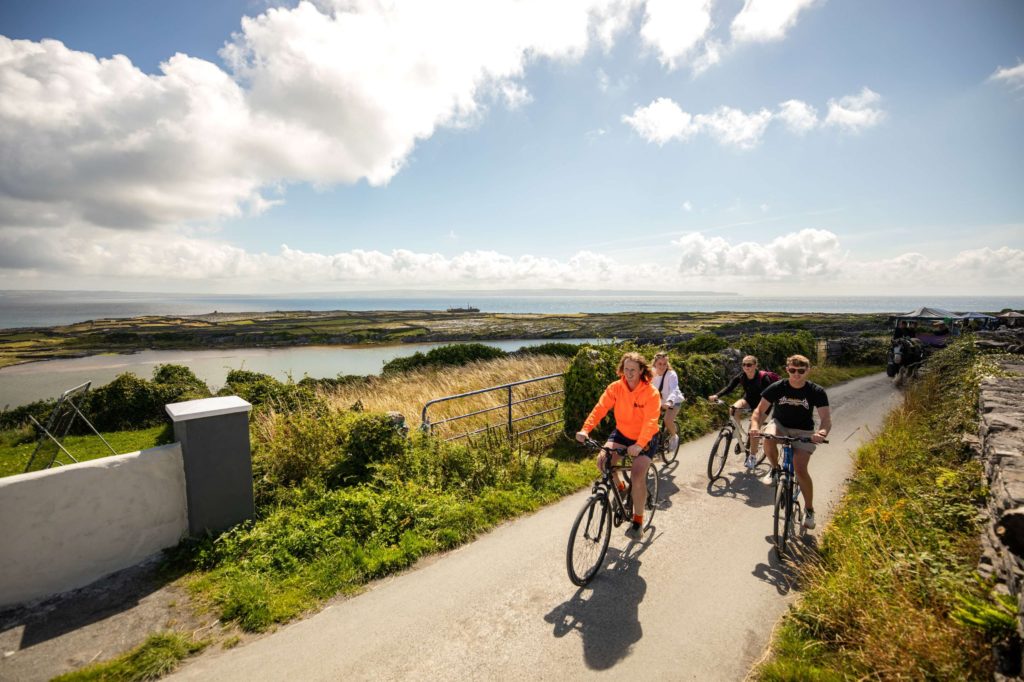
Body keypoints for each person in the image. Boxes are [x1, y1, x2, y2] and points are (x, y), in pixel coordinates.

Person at [576, 351, 661, 540]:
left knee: (638, 476)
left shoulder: (651, 393)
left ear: (641, 371)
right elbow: (600, 408)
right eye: (626, 369)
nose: (629, 373)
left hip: (645, 438)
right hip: (623, 432)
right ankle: (621, 489)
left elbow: (651, 421)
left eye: (633, 370)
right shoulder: (616, 387)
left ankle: (638, 522)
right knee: (603, 462)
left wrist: (639, 444)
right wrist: (585, 430)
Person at [749, 354, 831, 530]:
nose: (796, 374)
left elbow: (826, 419)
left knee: (800, 469)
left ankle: (809, 510)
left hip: (805, 431)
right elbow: (759, 411)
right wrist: (755, 426)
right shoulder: (778, 387)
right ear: (787, 370)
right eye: (792, 370)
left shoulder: (816, 391)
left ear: (807, 371)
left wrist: (822, 432)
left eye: (801, 371)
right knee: (768, 436)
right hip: (780, 426)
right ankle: (775, 470)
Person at [707, 355, 777, 469]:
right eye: (744, 364)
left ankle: (752, 456)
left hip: (763, 404)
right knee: (733, 409)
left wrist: (757, 411)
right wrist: (717, 395)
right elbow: (730, 387)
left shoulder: (763, 378)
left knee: (753, 430)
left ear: (755, 365)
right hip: (748, 400)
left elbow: (769, 395)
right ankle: (738, 435)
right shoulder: (741, 376)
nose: (746, 367)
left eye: (749, 365)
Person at [651, 352, 685, 455]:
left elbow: (674, 390)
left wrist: (669, 401)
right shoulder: (651, 373)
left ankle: (674, 436)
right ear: (655, 363)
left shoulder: (671, 374)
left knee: (667, 420)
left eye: (664, 364)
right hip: (659, 401)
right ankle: (654, 443)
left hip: (674, 401)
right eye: (660, 364)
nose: (662, 366)